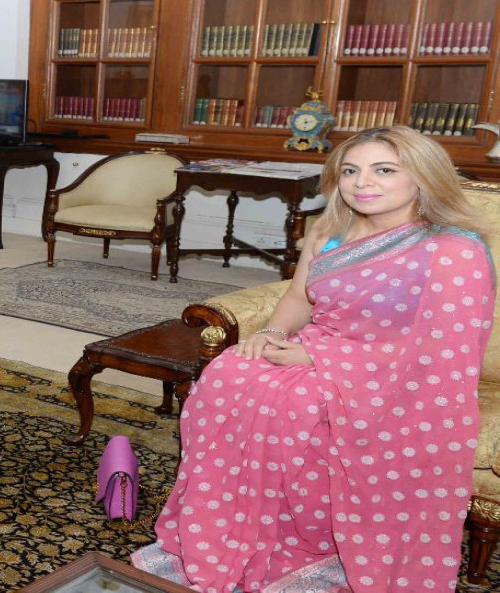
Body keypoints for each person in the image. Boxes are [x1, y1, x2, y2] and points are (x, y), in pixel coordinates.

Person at [132, 125, 495, 592]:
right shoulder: (330, 231)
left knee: (296, 402)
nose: (363, 182)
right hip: (322, 346)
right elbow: (299, 297)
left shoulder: (452, 250)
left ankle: (311, 536)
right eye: (350, 171)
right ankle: (235, 529)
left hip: (392, 377)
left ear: (423, 176)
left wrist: (318, 358)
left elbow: (439, 351)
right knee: (229, 371)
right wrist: (271, 334)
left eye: (385, 170)